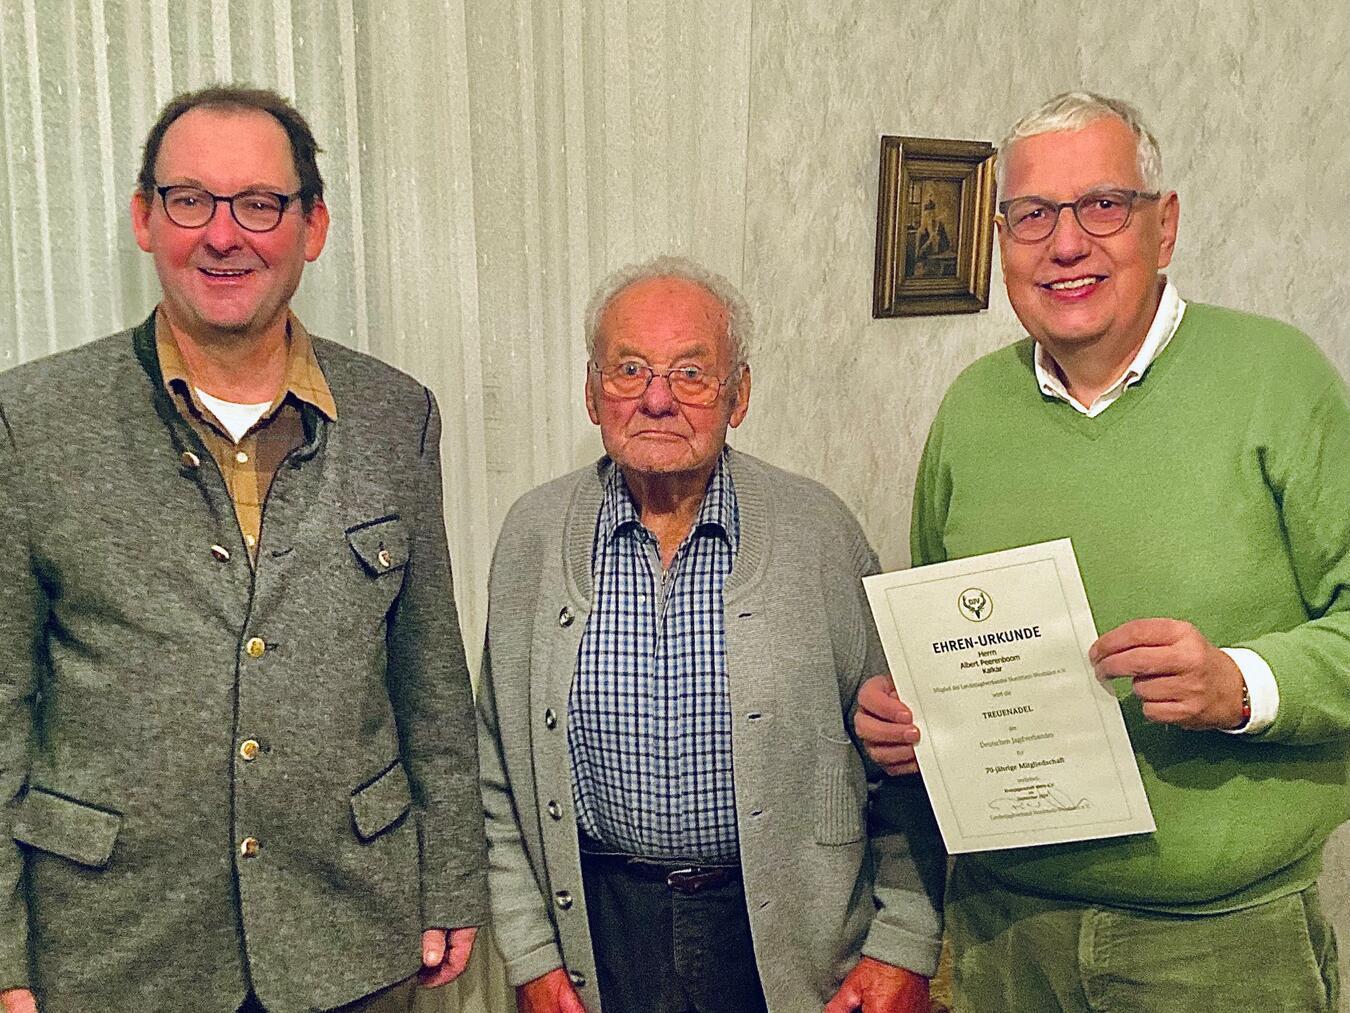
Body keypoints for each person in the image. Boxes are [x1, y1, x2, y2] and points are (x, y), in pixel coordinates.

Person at [855, 91, 1349, 1012]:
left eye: (1102, 206)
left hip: (1220, 946)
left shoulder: (1281, 382)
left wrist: (1241, 683)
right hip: (1003, 935)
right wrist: (902, 715)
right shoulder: (971, 412)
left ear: (1164, 227)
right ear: (1001, 238)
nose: (1066, 244)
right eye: (1033, 214)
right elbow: (929, 642)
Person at [0, 85, 487, 1013]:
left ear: (313, 226)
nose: (224, 235)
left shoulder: (395, 415)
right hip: (113, 953)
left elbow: (428, 676)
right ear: (146, 218)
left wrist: (452, 878)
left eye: (260, 203)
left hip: (353, 937)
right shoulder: (30, 421)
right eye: (191, 199)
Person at [476, 256, 944, 1013]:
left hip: (788, 939)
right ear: (592, 391)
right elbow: (494, 766)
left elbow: (904, 752)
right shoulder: (534, 535)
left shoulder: (818, 532)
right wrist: (531, 952)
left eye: (691, 373)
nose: (657, 399)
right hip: (600, 928)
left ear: (740, 393)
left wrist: (904, 942)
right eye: (630, 369)